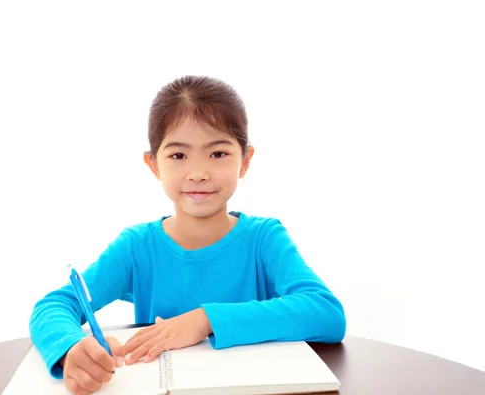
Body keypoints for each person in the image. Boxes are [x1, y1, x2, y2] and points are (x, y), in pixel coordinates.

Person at [29, 75, 346, 395]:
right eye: (178, 155)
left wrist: (205, 319)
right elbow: (54, 306)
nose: (198, 173)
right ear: (153, 165)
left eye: (218, 154)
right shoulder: (136, 248)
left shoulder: (264, 239)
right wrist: (72, 346)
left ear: (245, 161)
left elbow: (327, 313)